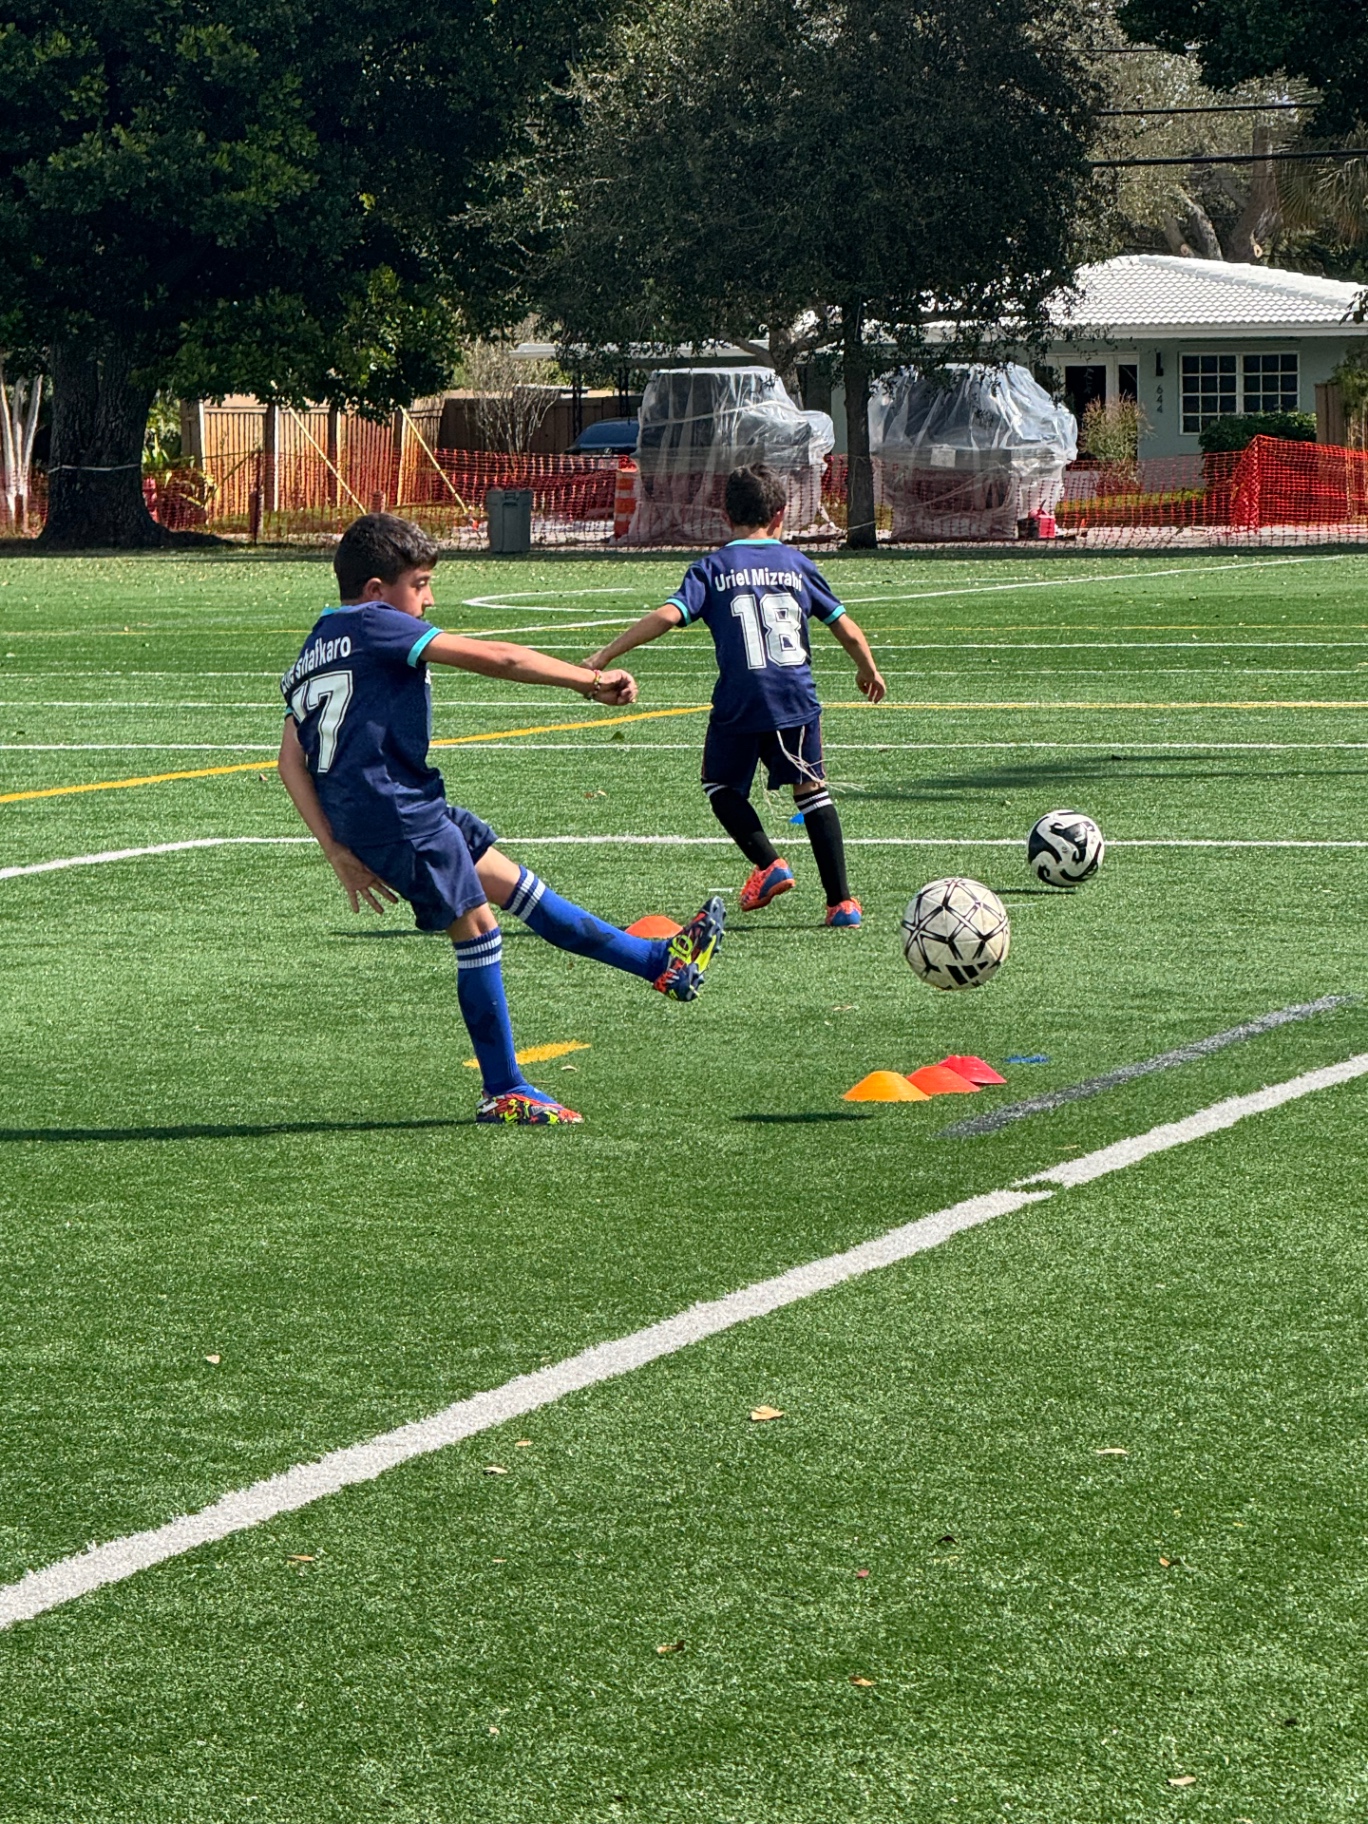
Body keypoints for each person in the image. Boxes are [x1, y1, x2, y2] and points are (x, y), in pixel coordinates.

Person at [277, 513, 724, 1126]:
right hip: (396, 813)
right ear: (378, 592)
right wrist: (589, 680)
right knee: (479, 928)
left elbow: (289, 760)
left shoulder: (317, 642)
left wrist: (335, 847)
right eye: (422, 583)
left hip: (401, 806)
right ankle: (502, 1088)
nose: (430, 598)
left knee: (520, 889)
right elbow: (499, 657)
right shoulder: (377, 624)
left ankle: (658, 964)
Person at [585, 464, 886, 925]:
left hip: (741, 700)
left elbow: (668, 616)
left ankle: (769, 863)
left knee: (721, 787)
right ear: (781, 515)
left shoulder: (713, 567)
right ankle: (841, 903)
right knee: (812, 791)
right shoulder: (798, 565)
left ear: (726, 516)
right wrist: (868, 668)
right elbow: (844, 627)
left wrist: (606, 654)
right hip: (796, 698)